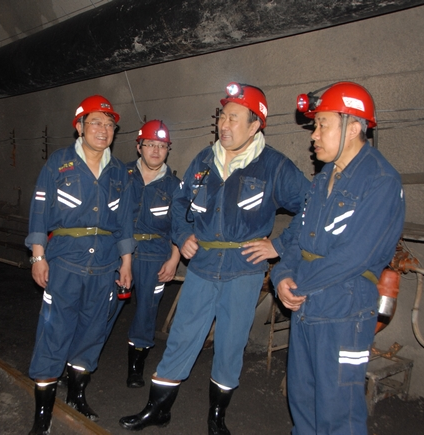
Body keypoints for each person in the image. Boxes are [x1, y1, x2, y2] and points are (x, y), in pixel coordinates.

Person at [120, 82, 309, 434]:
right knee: (182, 335)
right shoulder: (204, 161)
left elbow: (312, 206)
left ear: (255, 125)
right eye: (222, 116)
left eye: (234, 117)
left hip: (244, 268)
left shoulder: (274, 166)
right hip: (204, 265)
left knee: (230, 344)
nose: (224, 124)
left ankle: (216, 417)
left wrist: (280, 246)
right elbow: (180, 202)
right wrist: (183, 236)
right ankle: (158, 408)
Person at [271, 82, 405, 434]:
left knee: (338, 412)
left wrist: (298, 283)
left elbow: (355, 256)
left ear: (354, 126)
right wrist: (281, 275)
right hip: (307, 305)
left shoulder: (381, 181)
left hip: (345, 309)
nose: (313, 135)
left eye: (322, 124)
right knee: (302, 400)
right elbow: (298, 238)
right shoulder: (322, 179)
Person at [25, 95, 135, 434]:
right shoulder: (59, 164)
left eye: (109, 124)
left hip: (104, 266)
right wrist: (38, 256)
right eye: (96, 122)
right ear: (80, 127)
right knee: (53, 334)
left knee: (92, 333)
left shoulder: (120, 171)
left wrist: (126, 263)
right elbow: (39, 212)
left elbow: (125, 222)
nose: (103, 129)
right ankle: (42, 416)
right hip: (65, 263)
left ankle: (76, 395)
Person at [107, 120, 181, 388]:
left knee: (147, 311)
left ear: (168, 150)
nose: (156, 151)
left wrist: (174, 259)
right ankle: (83, 361)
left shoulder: (176, 186)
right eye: (150, 144)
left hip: (155, 255)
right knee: (104, 306)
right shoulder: (120, 175)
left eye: (162, 146)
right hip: (118, 252)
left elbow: (181, 226)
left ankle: (136, 367)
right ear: (139, 147)